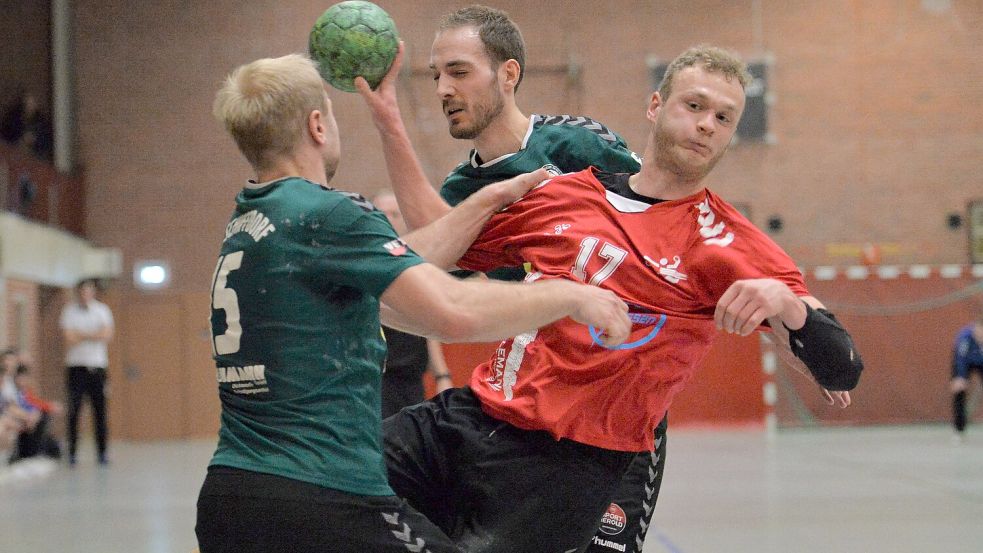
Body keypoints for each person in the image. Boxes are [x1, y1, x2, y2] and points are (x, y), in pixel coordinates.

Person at [362, 43, 863, 553]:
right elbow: (432, 258)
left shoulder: (725, 242)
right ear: (655, 107)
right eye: (694, 106)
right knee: (317, 480)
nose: (707, 124)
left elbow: (842, 367)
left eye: (723, 117)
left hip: (564, 463)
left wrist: (786, 303)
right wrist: (484, 194)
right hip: (469, 417)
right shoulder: (568, 193)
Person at [195, 53, 631, 553]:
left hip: (232, 495)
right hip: (324, 496)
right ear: (318, 125)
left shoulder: (251, 223)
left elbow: (405, 265)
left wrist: (486, 201)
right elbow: (451, 311)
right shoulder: (328, 213)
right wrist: (570, 294)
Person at [356, 7, 667, 552]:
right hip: (536, 407)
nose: (443, 89)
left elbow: (661, 211)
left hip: (620, 409)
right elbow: (436, 240)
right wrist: (389, 123)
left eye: (458, 71)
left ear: (508, 74)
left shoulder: (575, 144)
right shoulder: (468, 185)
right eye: (435, 76)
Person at [373, 190, 455, 417]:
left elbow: (428, 321)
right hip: (377, 377)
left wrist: (442, 375)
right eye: (382, 213)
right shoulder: (363, 259)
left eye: (394, 213)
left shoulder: (415, 262)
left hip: (410, 376)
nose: (388, 218)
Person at [60, 278, 114, 466]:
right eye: (82, 292)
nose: (85, 295)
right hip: (76, 368)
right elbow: (69, 338)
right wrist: (93, 335)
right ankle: (72, 452)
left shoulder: (102, 311)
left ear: (93, 293)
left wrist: (81, 334)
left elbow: (106, 335)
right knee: (74, 411)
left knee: (100, 412)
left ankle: (102, 452)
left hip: (97, 367)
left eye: (88, 291)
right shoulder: (69, 311)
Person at [950, 314, 983, 442]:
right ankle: (959, 429)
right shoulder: (964, 337)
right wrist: (960, 377)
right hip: (965, 363)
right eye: (979, 332)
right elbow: (960, 359)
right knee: (959, 391)